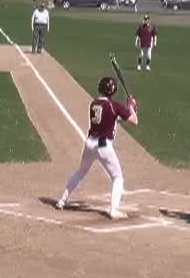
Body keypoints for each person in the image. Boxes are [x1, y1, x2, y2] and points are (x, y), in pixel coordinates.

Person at [55, 76, 139, 219]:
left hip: (89, 144)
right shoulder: (115, 106)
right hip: (104, 146)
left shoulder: (94, 104)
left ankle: (62, 200)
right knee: (118, 177)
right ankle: (114, 210)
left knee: (80, 173)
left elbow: (113, 118)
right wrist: (130, 106)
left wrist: (127, 108)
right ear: (113, 91)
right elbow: (134, 121)